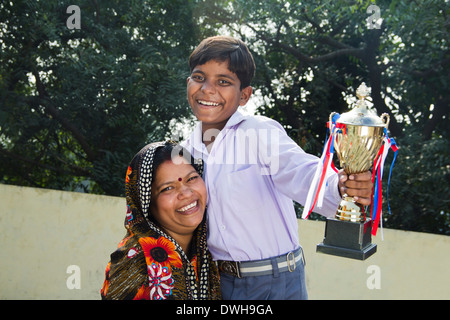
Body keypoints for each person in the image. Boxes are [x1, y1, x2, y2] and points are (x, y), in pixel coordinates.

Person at [181, 35, 374, 300]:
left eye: (223, 81)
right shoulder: (183, 151)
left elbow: (302, 172)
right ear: (188, 82)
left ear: (244, 95)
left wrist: (341, 187)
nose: (207, 89)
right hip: (217, 283)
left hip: (275, 282)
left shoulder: (258, 133)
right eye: (199, 77)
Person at [101, 141, 221, 300]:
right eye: (167, 188)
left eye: (191, 178)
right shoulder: (134, 260)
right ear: (146, 204)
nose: (185, 193)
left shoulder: (207, 251)